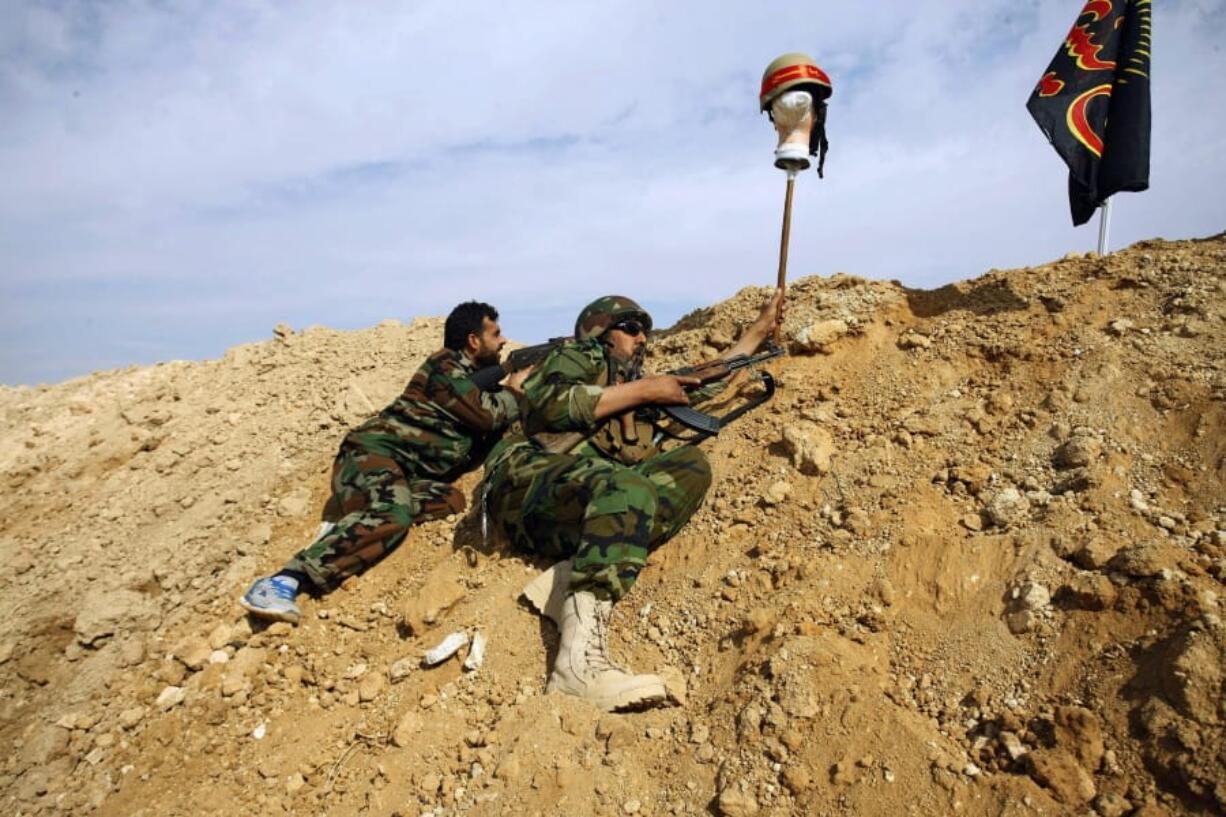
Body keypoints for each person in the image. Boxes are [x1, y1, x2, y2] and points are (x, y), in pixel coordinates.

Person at [480, 290, 784, 711]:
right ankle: (575, 669)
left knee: (690, 467)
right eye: (631, 328)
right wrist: (644, 391)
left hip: (578, 500)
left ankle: (580, 568)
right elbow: (550, 402)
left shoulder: (629, 380)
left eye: (645, 331)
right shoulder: (577, 356)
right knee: (629, 488)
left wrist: (755, 334)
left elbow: (698, 382)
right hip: (524, 484)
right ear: (602, 332)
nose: (642, 338)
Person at [241, 301, 528, 624]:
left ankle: (356, 523)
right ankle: (284, 580)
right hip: (369, 454)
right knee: (394, 511)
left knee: (450, 499)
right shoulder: (443, 367)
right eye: (496, 333)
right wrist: (517, 392)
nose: (504, 341)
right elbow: (486, 415)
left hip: (400, 472)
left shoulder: (474, 380)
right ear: (474, 340)